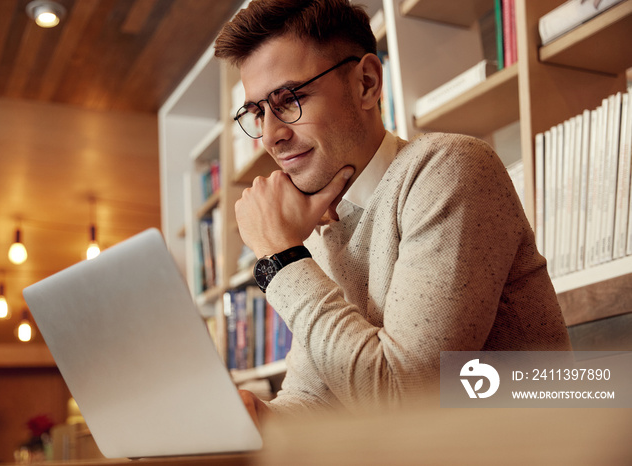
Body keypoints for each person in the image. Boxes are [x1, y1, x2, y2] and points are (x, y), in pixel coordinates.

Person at [214, 0, 571, 425]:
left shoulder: (449, 169)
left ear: (366, 82)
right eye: (257, 112)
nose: (271, 135)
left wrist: (281, 258)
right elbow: (315, 398)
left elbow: (407, 402)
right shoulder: (316, 228)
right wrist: (261, 421)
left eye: (289, 99)